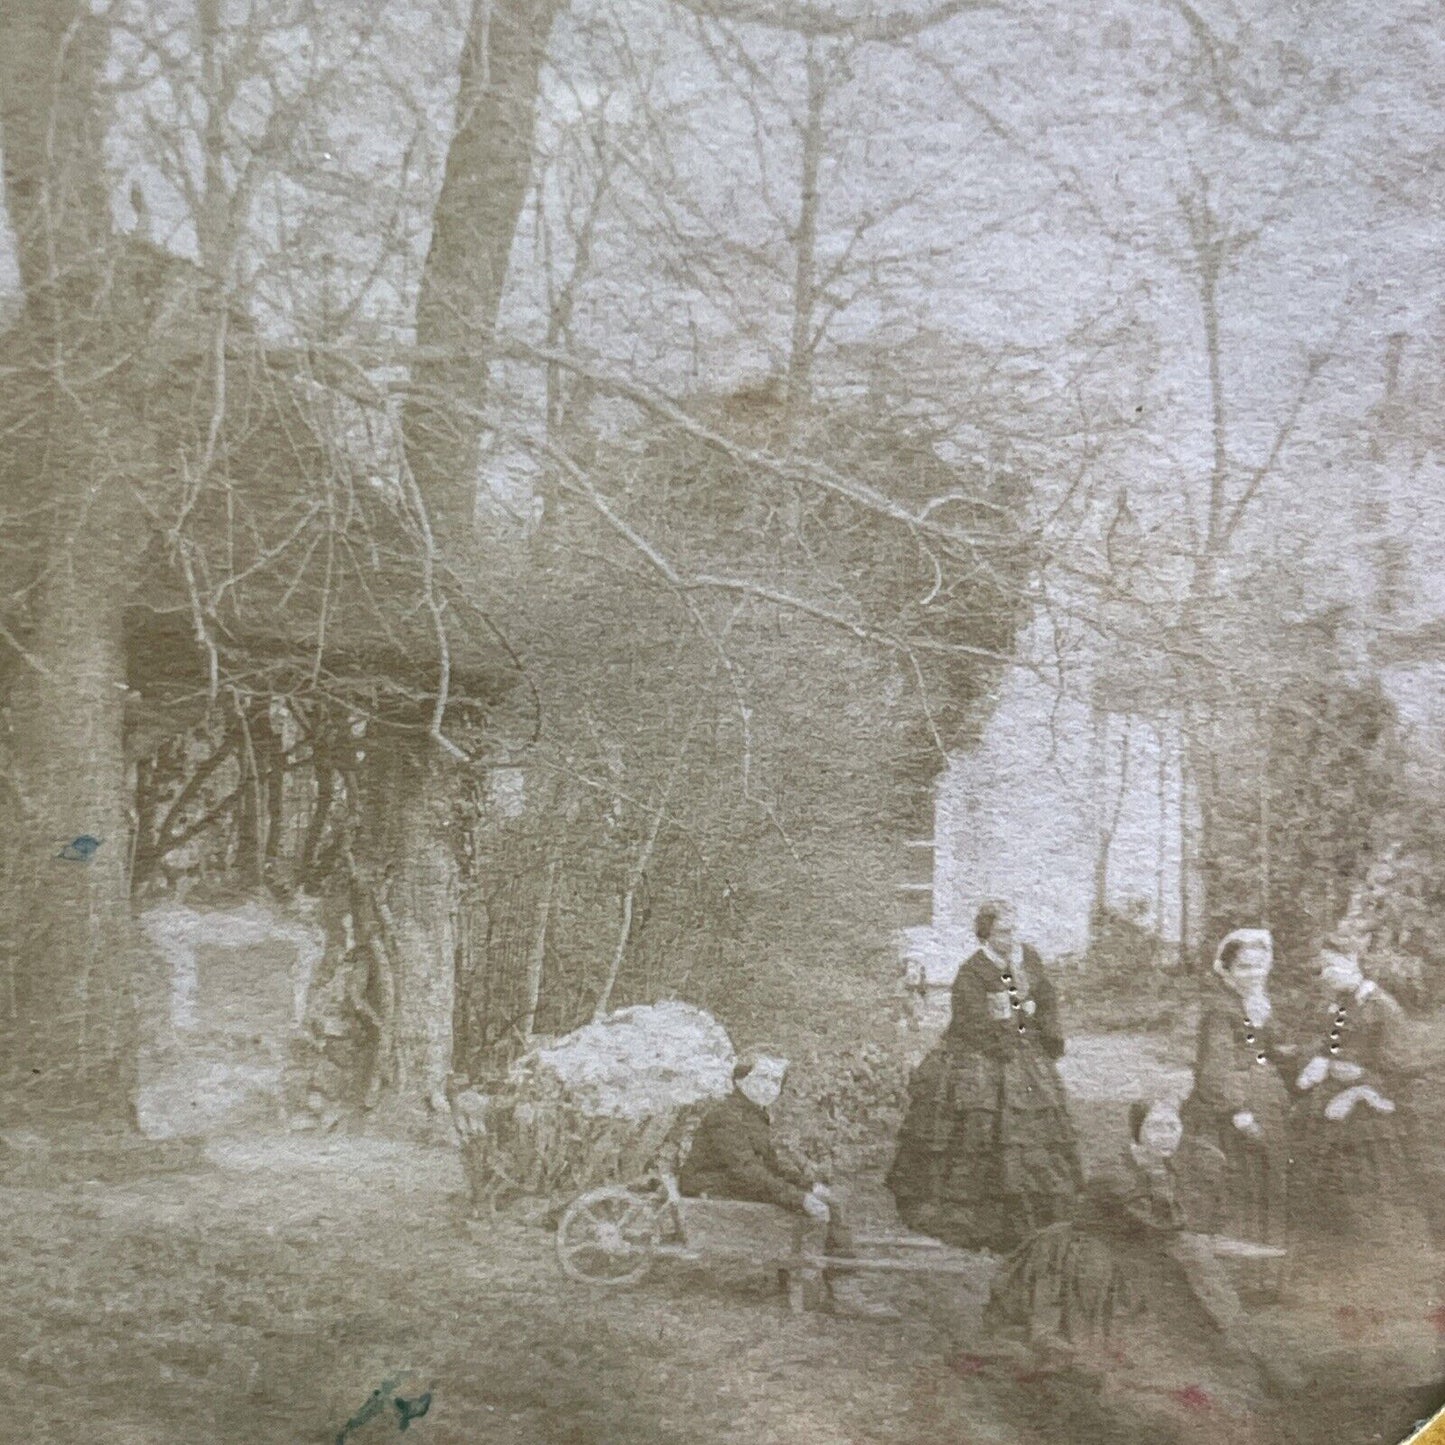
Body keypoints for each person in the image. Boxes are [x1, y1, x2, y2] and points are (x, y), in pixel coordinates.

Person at [983, 1100, 1276, 1445]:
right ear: (1137, 1132)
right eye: (1156, 1127)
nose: (1166, 1136)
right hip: (1087, 1249)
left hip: (1135, 1241)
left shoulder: (1163, 1166)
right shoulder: (1116, 1172)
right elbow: (1159, 1221)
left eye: (1172, 1126)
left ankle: (1229, 1339)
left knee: (1194, 1273)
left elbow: (1171, 1221)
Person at [886, 899, 1083, 1254]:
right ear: (987, 933)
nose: (1010, 938)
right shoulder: (972, 971)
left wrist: (1040, 1028)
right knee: (979, 1125)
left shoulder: (1028, 959)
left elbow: (1046, 998)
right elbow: (970, 1021)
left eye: (1013, 930)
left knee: (1032, 1131)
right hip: (982, 1056)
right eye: (1002, 932)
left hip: (1026, 1053)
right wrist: (1006, 1035)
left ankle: (1036, 1204)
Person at [678, 1050, 900, 1321]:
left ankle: (844, 1287)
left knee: (830, 1202)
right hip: (713, 1187)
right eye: (762, 1077)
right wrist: (800, 1198)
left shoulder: (753, 1113)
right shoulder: (726, 1117)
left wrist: (810, 1186)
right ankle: (843, 1292)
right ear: (739, 1079)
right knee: (807, 1209)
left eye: (775, 1080)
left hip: (736, 1181)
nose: (769, 1086)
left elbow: (770, 1165)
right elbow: (748, 1172)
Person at [1176, 928, 1291, 1297]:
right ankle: (1232, 1280)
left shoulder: (1258, 1002)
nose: (1253, 974)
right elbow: (1214, 1068)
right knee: (1233, 1188)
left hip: (1266, 1103)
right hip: (1226, 1112)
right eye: (1243, 967)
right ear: (1226, 969)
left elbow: (1274, 1051)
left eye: (1258, 967)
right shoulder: (1219, 1009)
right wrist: (1238, 1112)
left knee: (1265, 1188)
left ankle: (1263, 1278)